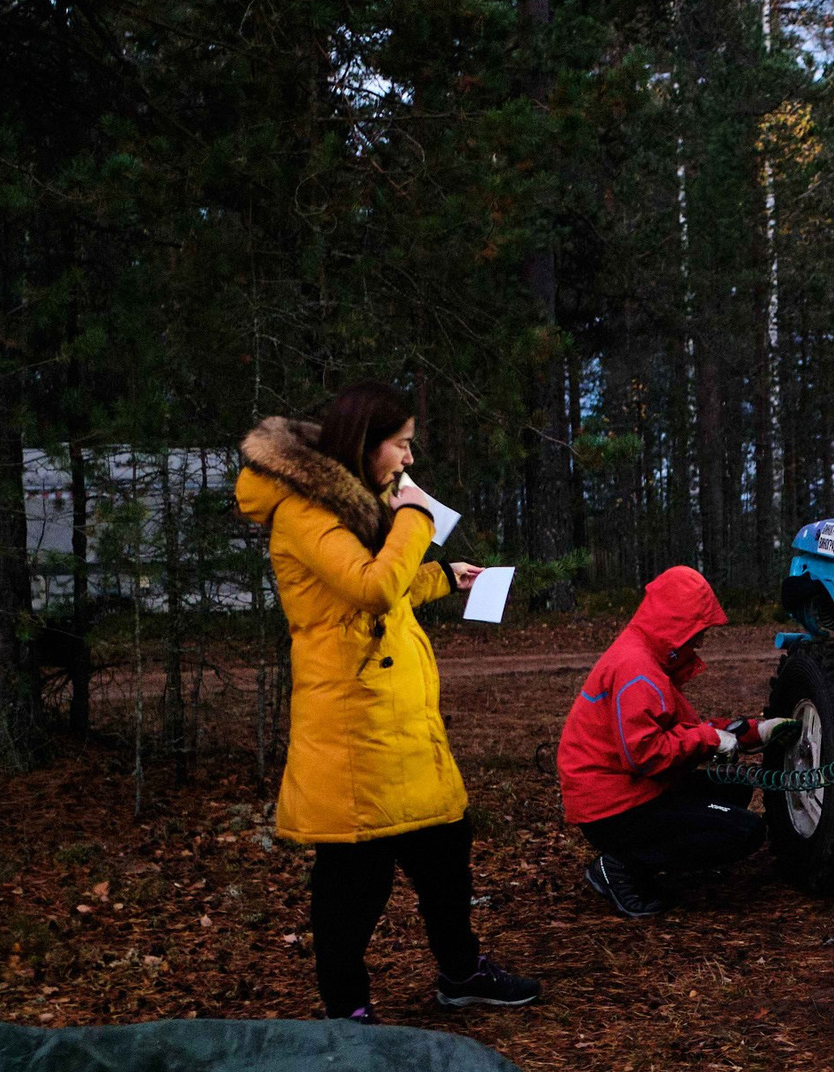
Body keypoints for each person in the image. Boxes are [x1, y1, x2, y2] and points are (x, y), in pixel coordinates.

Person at [236, 383, 541, 1021]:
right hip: (351, 719)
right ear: (367, 443)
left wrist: (442, 575)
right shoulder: (304, 512)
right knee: (355, 875)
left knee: (445, 851)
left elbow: (386, 585)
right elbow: (372, 589)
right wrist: (417, 516)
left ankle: (460, 972)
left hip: (399, 714)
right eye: (400, 444)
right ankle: (346, 1008)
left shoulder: (355, 499)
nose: (407, 457)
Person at [559, 566, 779, 920]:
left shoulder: (644, 654)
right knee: (747, 832)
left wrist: (753, 732)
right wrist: (710, 739)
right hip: (614, 807)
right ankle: (620, 866)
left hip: (627, 792)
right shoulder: (638, 670)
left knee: (732, 789)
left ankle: (648, 855)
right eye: (698, 631)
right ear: (676, 623)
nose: (701, 641)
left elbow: (678, 729)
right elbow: (644, 754)